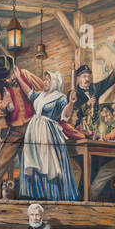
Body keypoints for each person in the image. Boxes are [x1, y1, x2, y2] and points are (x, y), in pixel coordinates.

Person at [0, 55, 44, 198]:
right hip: (15, 130)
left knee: (36, 165)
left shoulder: (25, 75)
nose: (7, 80)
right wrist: (3, 104)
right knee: (0, 165)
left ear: (14, 69)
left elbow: (43, 92)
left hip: (33, 128)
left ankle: (35, 199)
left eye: (9, 75)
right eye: (4, 77)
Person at [19, 69, 81, 202]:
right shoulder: (40, 95)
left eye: (48, 80)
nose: (45, 82)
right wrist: (19, 77)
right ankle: (35, 194)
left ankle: (50, 194)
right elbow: (29, 93)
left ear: (54, 83)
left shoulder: (60, 97)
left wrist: (71, 102)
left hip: (48, 132)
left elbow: (66, 114)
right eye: (45, 79)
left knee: (47, 163)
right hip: (33, 131)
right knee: (33, 160)